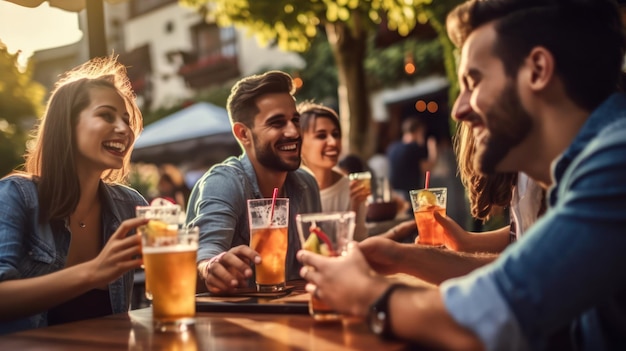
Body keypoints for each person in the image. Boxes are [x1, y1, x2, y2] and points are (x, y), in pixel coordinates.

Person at [297, 0, 626, 349]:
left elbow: (486, 317)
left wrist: (364, 293)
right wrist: (402, 256)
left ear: (538, 70)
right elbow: (518, 282)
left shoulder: (616, 163)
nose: (459, 108)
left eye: (474, 81)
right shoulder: (584, 171)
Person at [0, 57, 149, 334]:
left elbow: (176, 281)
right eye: (106, 115)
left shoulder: (131, 205)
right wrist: (93, 272)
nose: (124, 129)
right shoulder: (16, 197)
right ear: (67, 125)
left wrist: (212, 268)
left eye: (127, 120)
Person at [186, 71, 322, 294]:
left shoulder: (307, 184)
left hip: (292, 316)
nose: (293, 131)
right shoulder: (224, 181)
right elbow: (205, 253)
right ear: (243, 134)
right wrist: (210, 267)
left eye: (295, 120)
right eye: (277, 123)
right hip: (232, 324)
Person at [298, 102, 369, 241]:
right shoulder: (290, 190)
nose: (333, 142)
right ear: (299, 143)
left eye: (336, 134)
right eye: (321, 135)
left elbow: (359, 243)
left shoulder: (352, 189)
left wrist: (354, 207)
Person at [386, 116, 437, 202]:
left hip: (394, 195)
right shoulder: (414, 147)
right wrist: (433, 149)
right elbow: (427, 168)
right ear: (418, 131)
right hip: (411, 195)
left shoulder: (392, 148)